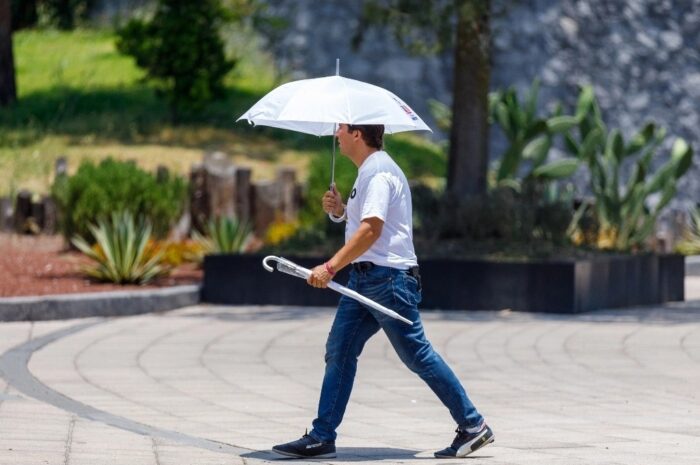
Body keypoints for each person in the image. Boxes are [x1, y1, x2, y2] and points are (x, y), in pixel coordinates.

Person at [272, 124, 493, 459]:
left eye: (341, 129)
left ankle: (473, 425)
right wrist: (340, 212)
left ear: (358, 134)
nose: (336, 135)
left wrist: (330, 267)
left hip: (388, 280)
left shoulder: (378, 172)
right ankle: (322, 436)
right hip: (368, 279)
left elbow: (371, 231)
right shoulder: (371, 171)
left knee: (416, 355)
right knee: (340, 350)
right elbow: (371, 224)